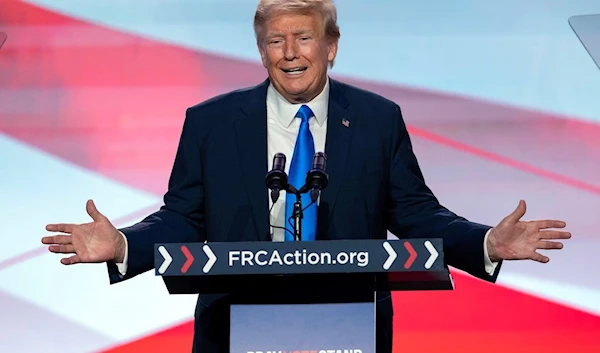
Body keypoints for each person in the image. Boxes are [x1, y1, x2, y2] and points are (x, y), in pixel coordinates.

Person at [41, 0, 571, 352]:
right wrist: (123, 246)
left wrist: (485, 241)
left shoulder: (376, 119)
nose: (290, 54)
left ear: (331, 45)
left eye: (304, 38)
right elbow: (182, 217)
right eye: (275, 40)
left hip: (350, 323)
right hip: (234, 326)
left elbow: (413, 213)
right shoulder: (212, 122)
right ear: (261, 50)